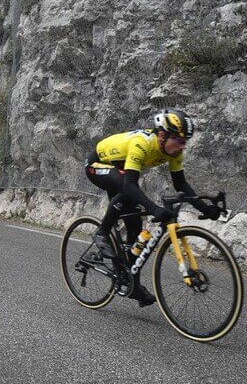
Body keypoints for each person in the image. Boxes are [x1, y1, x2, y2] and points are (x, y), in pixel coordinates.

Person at [84, 109, 221, 307]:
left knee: (135, 226)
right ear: (163, 135)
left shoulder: (174, 151)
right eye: (179, 140)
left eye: (185, 142)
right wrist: (155, 209)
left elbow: (181, 185)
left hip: (121, 170)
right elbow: (130, 184)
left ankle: (132, 285)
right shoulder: (142, 143)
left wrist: (205, 209)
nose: (182, 146)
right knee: (125, 186)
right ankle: (102, 233)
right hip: (97, 164)